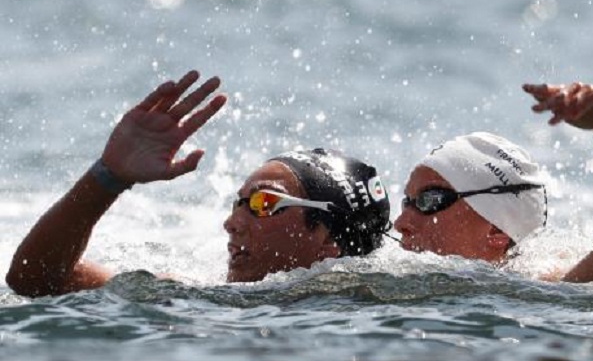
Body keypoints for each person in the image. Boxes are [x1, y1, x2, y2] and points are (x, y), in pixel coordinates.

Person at [6, 70, 391, 297]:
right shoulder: (193, 296)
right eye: (237, 204)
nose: (232, 223)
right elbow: (34, 278)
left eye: (262, 204)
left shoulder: (377, 305)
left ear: (327, 238)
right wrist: (108, 177)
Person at [395, 82, 593, 283]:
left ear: (496, 229)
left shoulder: (551, 282)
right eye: (406, 202)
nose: (401, 223)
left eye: (428, 200)